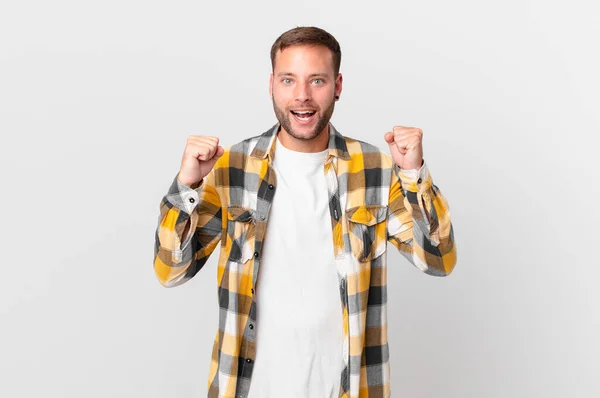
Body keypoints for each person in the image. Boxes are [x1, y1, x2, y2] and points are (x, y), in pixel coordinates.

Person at [153, 26, 457, 398]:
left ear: (338, 85)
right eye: (288, 80)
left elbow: (440, 260)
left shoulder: (375, 169)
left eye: (317, 80)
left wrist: (413, 175)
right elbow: (170, 271)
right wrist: (188, 186)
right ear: (271, 85)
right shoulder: (232, 167)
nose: (302, 96)